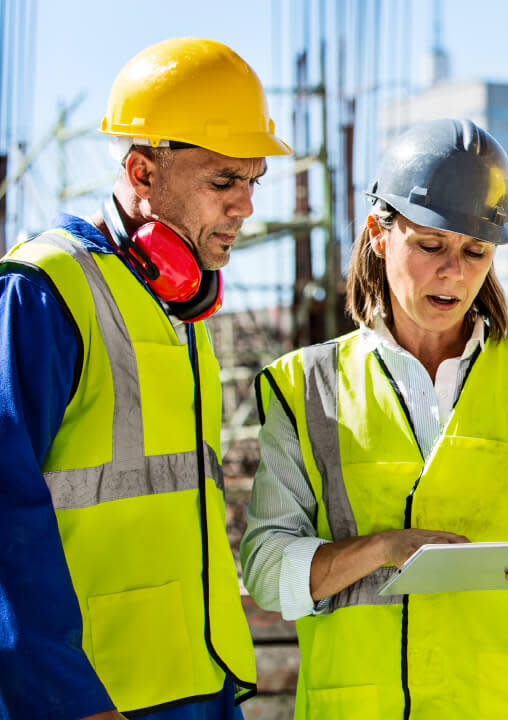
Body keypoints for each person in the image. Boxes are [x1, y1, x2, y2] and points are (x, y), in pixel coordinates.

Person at [240, 119, 508, 719]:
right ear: (379, 236)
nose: (454, 273)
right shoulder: (308, 389)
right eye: (431, 246)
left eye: (476, 252)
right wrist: (383, 547)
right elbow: (266, 569)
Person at [0, 38, 290, 719]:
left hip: (203, 682)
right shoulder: (45, 293)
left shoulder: (176, 303)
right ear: (142, 171)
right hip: (99, 697)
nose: (245, 206)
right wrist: (66, 700)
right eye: (223, 181)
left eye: (254, 181)